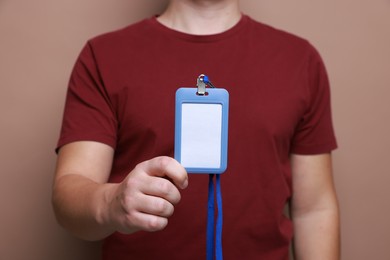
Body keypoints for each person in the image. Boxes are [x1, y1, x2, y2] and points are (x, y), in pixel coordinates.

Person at [52, 0, 340, 259]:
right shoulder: (103, 56)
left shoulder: (300, 60)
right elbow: (70, 193)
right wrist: (111, 204)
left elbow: (314, 210)